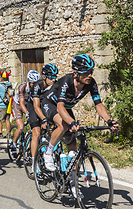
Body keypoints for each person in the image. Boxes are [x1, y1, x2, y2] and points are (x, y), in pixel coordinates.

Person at [41, 54, 119, 198]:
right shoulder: (66, 81)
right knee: (64, 125)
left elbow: (99, 104)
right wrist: (71, 122)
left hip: (66, 108)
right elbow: (60, 107)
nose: (90, 75)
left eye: (91, 71)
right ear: (76, 73)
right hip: (51, 104)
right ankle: (48, 153)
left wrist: (109, 120)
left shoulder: (91, 83)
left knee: (73, 150)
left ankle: (72, 185)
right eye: (86, 72)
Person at [28, 64, 58, 172]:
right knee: (36, 133)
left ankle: (48, 152)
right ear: (44, 76)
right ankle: (34, 162)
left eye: (55, 76)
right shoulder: (37, 85)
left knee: (53, 130)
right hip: (34, 107)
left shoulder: (55, 85)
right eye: (51, 77)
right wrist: (44, 118)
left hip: (46, 106)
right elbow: (36, 107)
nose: (53, 79)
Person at [10, 70, 39, 158]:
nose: (33, 85)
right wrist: (27, 113)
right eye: (32, 83)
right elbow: (21, 103)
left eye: (36, 83)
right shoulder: (23, 87)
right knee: (21, 127)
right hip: (18, 104)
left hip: (29, 104)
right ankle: (13, 144)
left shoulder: (38, 87)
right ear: (28, 81)